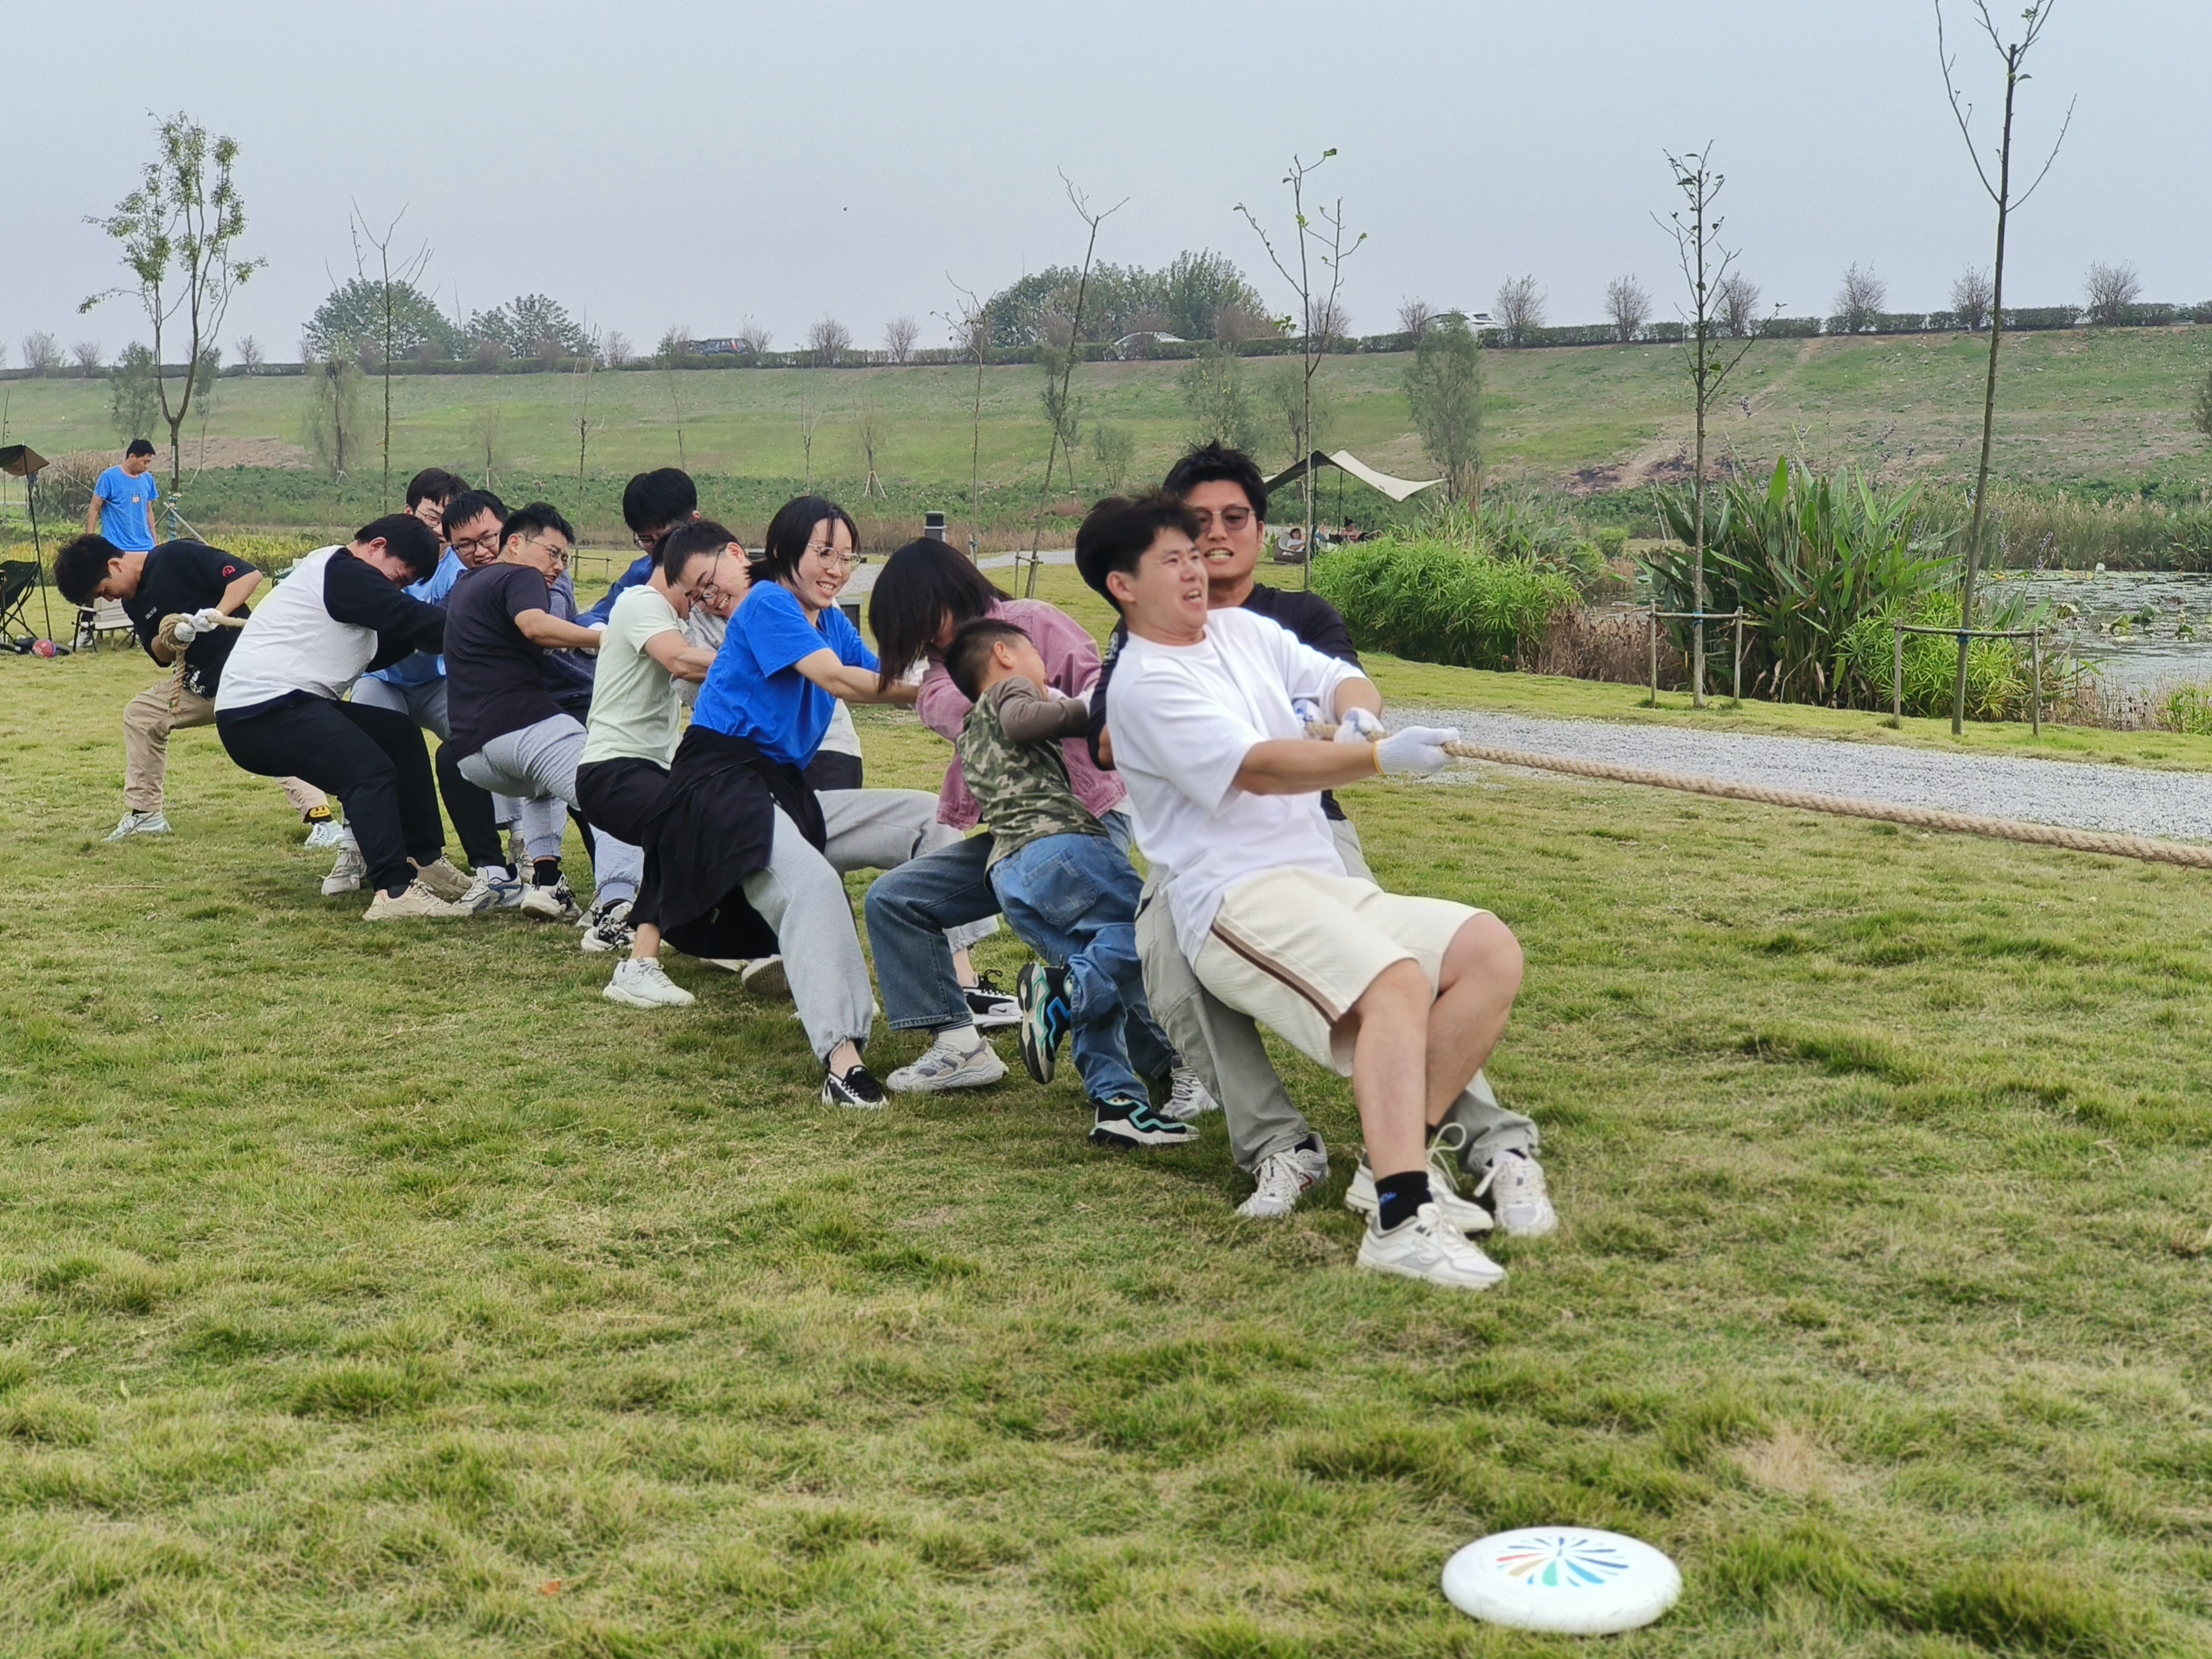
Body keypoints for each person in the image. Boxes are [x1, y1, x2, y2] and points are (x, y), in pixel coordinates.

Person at [1081, 493, 1548, 1290]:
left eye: (1195, 556)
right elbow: (1259, 768)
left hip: (1316, 873)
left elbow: (1337, 678)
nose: (1195, 570)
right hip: (1232, 898)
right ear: (1123, 586)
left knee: (1488, 952)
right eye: (1173, 560)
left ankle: (1390, 1162)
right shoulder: (1142, 685)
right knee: (1395, 984)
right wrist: (1379, 760)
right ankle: (1401, 1221)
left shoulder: (1240, 630)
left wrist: (1358, 716)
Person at [645, 496, 960, 1105]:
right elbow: (842, 681)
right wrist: (937, 690)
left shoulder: (830, 621)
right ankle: (844, 1064)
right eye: (824, 553)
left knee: (930, 818)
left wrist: (962, 678)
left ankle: (963, 992)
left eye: (847, 557)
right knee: (813, 883)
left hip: (785, 790)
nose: (837, 569)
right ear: (783, 551)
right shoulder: (768, 602)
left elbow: (885, 672)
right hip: (719, 789)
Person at [863, 540, 1140, 1098]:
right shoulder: (942, 680)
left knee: (1104, 944)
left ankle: (1165, 1067)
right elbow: (994, 713)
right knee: (896, 899)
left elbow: (1102, 689)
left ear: (946, 590)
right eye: (914, 634)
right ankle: (960, 1047)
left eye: (924, 620)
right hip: (1015, 839)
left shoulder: (1032, 622)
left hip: (1087, 816)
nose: (928, 640)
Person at [946, 618, 1194, 1149]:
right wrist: (1098, 708)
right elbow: (1023, 720)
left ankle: (1118, 1104)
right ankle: (1061, 989)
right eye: (1036, 657)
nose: (1044, 671)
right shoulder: (1009, 692)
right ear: (1004, 655)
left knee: (1098, 973)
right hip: (1060, 848)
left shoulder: (970, 730)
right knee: (1145, 933)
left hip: (1011, 874)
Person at [212, 515, 471, 919]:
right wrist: (490, 629)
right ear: (377, 547)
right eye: (399, 578)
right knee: (368, 771)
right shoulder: (343, 569)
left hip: (282, 706)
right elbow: (408, 617)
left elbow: (396, 639)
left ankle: (424, 860)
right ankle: (394, 892)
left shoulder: (342, 583)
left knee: (398, 735)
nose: (396, 589)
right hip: (262, 711)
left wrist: (443, 629)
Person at [54, 529, 338, 845]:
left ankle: (323, 821)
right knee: (143, 715)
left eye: (105, 591)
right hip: (200, 685)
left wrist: (216, 615)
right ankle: (146, 815)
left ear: (115, 565)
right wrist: (174, 635)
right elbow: (160, 656)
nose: (110, 599)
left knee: (263, 735)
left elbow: (249, 576)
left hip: (247, 674)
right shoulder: (133, 603)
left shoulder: (177, 557)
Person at [441, 504, 641, 924]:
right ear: (516, 543)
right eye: (553, 553)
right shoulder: (522, 576)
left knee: (542, 788)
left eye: (565, 558)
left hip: (473, 754)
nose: (559, 566)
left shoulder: (466, 585)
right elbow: (535, 625)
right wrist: (606, 639)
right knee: (613, 791)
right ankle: (618, 907)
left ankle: (547, 884)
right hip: (521, 726)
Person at [343, 486, 516, 910]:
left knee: (490, 740)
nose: (439, 529)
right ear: (410, 513)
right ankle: (354, 850)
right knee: (364, 750)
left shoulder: (465, 563)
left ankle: (518, 847)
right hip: (385, 678)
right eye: (431, 516)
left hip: (440, 679)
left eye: (449, 521)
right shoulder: (381, 560)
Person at [577, 519, 728, 998]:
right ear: (676, 566)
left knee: (716, 821)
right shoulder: (641, 603)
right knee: (683, 823)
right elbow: (681, 661)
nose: (703, 597)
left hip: (650, 770)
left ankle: (720, 938)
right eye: (700, 585)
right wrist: (766, 661)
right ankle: (639, 966)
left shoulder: (676, 619)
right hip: (612, 771)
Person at [580, 467, 699, 627]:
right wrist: (606, 634)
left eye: (667, 538)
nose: (658, 548)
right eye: (646, 539)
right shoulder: (641, 574)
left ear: (694, 521)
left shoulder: (725, 569)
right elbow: (593, 618)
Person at [87, 439, 160, 555]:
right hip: (116, 547)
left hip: (145, 546)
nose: (147, 466)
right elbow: (95, 508)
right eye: (145, 462)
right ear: (133, 457)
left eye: (149, 462)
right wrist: (89, 539)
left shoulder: (148, 479)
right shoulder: (109, 477)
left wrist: (154, 540)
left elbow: (148, 511)